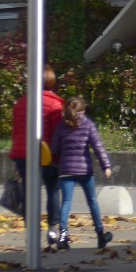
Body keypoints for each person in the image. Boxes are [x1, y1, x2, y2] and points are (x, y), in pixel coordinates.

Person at [8, 65, 65, 247]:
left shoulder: (21, 103)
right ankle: (52, 228)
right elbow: (58, 133)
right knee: (52, 190)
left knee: (28, 192)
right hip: (47, 155)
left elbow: (16, 131)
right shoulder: (55, 104)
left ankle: (31, 230)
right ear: (50, 81)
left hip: (22, 154)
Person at [50, 97, 113, 252]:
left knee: (66, 202)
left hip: (65, 170)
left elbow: (54, 149)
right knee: (92, 202)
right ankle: (100, 235)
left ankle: (63, 236)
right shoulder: (88, 125)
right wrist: (106, 166)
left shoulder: (61, 126)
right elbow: (98, 146)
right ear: (83, 110)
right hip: (85, 170)